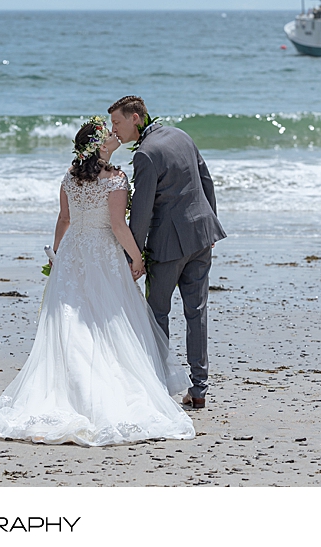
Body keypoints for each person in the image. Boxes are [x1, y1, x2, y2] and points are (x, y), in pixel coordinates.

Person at [0, 116, 194, 446]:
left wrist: (56, 254)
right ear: (98, 146)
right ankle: (100, 392)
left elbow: (64, 219)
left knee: (69, 322)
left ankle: (68, 387)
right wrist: (137, 258)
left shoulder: (69, 176)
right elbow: (118, 227)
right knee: (107, 320)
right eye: (107, 134)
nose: (113, 135)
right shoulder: (116, 178)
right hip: (103, 255)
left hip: (73, 254)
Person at [109, 96, 226, 409]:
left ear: (135, 118)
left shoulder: (146, 154)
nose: (114, 130)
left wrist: (134, 255)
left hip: (168, 246)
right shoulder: (180, 134)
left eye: (117, 123)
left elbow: (142, 214)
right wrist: (211, 224)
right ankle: (199, 390)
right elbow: (206, 181)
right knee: (197, 313)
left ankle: (158, 386)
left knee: (157, 314)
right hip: (201, 235)